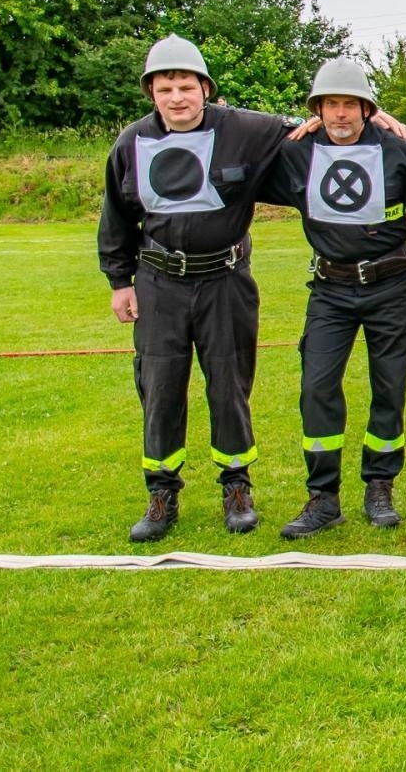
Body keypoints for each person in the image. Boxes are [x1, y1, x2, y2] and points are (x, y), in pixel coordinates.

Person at [99, 34, 294, 541]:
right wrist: (120, 280)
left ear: (205, 88)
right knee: (160, 388)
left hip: (225, 281)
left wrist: (375, 114)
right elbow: (116, 216)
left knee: (229, 385)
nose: (177, 97)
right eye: (165, 89)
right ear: (152, 94)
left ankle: (237, 487)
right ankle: (161, 493)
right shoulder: (131, 142)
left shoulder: (244, 130)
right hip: (159, 282)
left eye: (186, 86)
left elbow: (314, 130)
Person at [258, 57, 406, 538]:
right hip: (330, 290)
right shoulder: (296, 152)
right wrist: (285, 123)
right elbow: (236, 134)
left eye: (351, 104)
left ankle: (379, 486)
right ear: (316, 110)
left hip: (392, 285)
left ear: (367, 108)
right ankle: (323, 497)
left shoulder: (397, 149)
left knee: (389, 389)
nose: (341, 114)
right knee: (317, 387)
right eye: (330, 105)